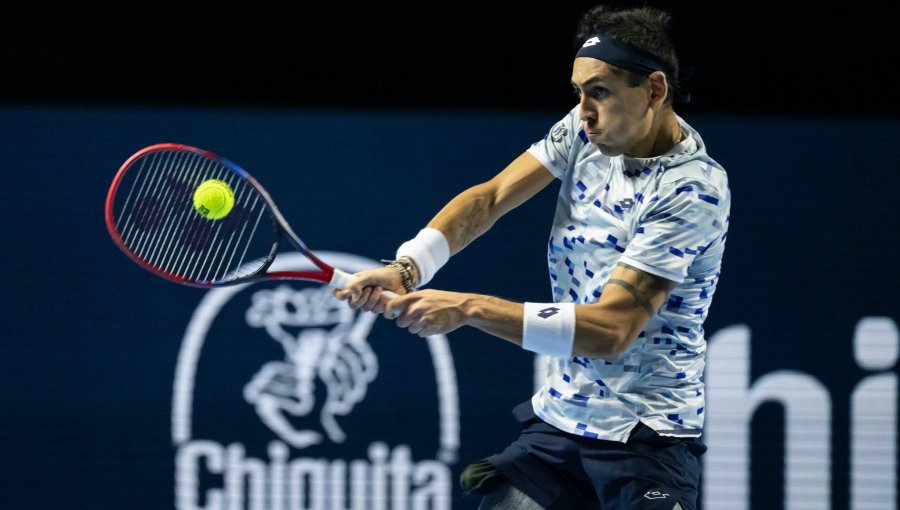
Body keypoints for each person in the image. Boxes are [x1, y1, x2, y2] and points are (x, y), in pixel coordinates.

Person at [335, 4, 730, 509]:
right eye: (579, 92)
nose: (585, 109)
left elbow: (611, 331)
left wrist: (466, 308)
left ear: (655, 89)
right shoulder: (585, 131)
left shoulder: (692, 189)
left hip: (645, 438)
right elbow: (491, 197)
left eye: (600, 92)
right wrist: (406, 268)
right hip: (560, 424)